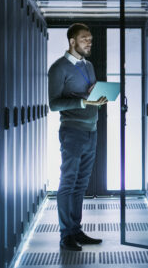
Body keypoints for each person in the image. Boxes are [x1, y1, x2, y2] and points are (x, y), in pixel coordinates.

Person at [47, 23, 108, 251]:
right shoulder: (58, 68)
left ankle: (76, 230)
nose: (89, 43)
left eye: (90, 39)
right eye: (85, 39)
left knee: (81, 184)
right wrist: (83, 102)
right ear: (72, 41)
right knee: (68, 183)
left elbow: (90, 92)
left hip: (91, 129)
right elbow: (53, 104)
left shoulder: (89, 66)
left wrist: (97, 97)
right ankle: (65, 235)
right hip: (72, 131)